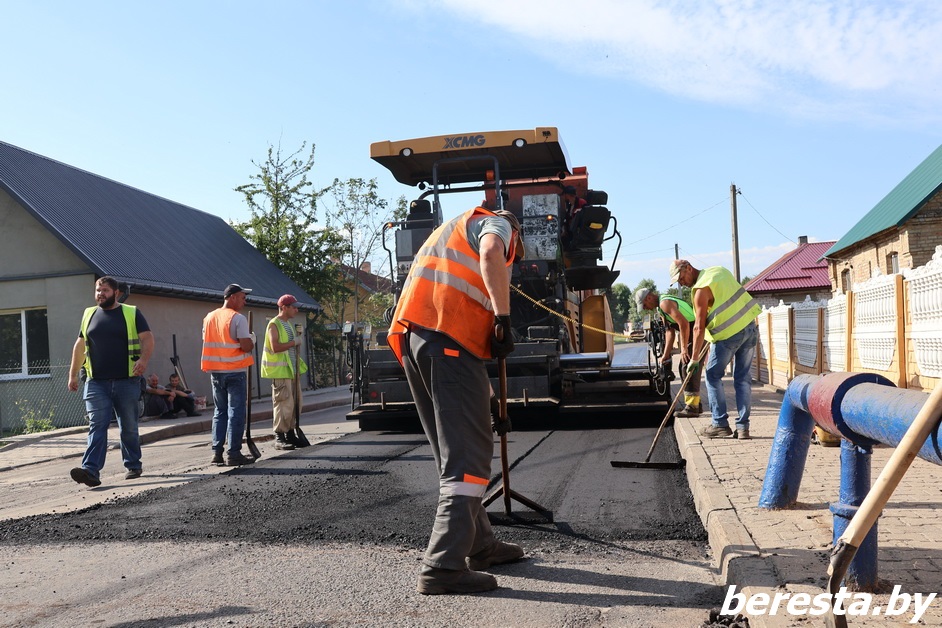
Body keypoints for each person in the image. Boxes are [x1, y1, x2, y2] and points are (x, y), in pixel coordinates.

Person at [387, 206, 526, 595]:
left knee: (454, 455)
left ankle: (480, 546)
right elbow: (491, 253)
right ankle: (442, 566)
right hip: (447, 341)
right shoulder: (498, 223)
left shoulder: (449, 231)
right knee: (466, 462)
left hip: (421, 340)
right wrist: (503, 316)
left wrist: (493, 403)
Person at [67, 276, 154, 486]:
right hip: (96, 382)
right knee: (97, 424)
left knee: (129, 427)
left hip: (127, 381)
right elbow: (79, 346)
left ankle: (133, 464)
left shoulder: (131, 312)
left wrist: (143, 359)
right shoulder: (89, 314)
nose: (100, 294)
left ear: (115, 292)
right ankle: (91, 470)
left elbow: (148, 338)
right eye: (98, 290)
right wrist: (73, 375)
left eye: (104, 290)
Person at [670, 260, 761, 440]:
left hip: (729, 336)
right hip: (750, 329)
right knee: (743, 379)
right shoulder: (718, 271)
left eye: (680, 278)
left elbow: (698, 327)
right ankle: (743, 428)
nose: (681, 283)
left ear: (688, 268)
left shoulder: (700, 290)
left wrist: (694, 358)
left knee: (712, 375)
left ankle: (719, 424)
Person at [201, 283, 256, 466]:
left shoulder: (209, 317)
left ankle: (217, 453)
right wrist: (252, 339)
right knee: (236, 412)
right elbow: (245, 346)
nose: (245, 300)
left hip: (216, 373)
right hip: (235, 372)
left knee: (220, 412)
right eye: (242, 297)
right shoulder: (237, 318)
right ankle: (234, 453)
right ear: (232, 297)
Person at [635, 287, 703, 417]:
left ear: (649, 298)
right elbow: (669, 331)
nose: (645, 308)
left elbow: (684, 324)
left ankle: (692, 407)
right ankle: (696, 405)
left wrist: (683, 349)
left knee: (686, 367)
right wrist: (665, 355)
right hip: (692, 334)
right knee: (685, 367)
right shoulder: (661, 308)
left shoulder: (664, 303)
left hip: (697, 332)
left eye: (644, 304)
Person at [260, 294, 308, 450]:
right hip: (280, 373)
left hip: (291, 371)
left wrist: (296, 338)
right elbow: (275, 347)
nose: (296, 309)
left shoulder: (289, 325)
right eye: (293, 307)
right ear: (284, 307)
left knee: (295, 404)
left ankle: (290, 434)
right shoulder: (274, 324)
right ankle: (279, 437)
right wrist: (294, 341)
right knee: (283, 405)